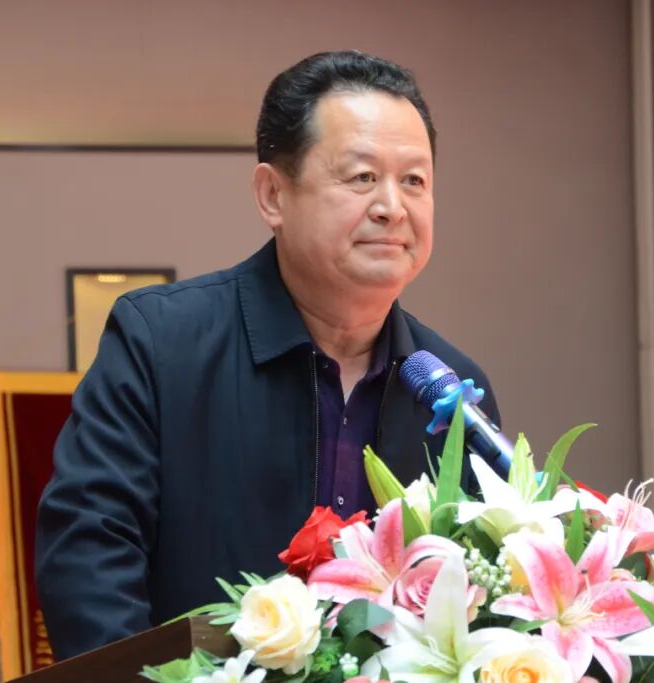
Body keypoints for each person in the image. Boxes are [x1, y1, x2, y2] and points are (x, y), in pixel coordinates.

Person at [35, 50, 501, 660]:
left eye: (414, 181)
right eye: (362, 177)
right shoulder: (160, 342)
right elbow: (89, 556)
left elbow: (485, 596)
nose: (392, 206)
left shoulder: (451, 386)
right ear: (273, 194)